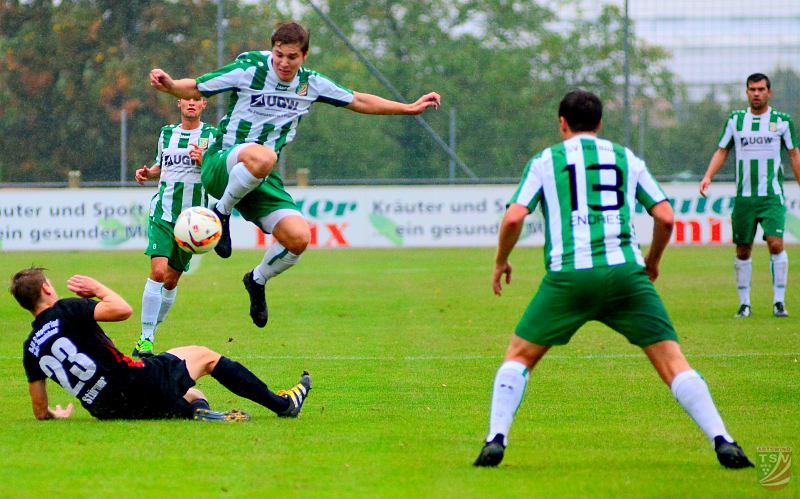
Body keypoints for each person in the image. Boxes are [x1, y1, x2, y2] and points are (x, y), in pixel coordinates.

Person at [473, 90, 753, 470]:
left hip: (569, 277)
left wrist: (501, 260)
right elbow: (667, 217)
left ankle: (496, 438)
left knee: (519, 356)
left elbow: (512, 218)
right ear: (600, 124)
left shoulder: (546, 161)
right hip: (626, 274)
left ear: (562, 124)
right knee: (672, 361)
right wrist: (651, 263)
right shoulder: (625, 158)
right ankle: (723, 439)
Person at [149, 21, 441, 328]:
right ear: (272, 50)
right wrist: (170, 85)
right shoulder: (250, 68)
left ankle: (257, 280)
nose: (284, 63)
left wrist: (408, 108)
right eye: (279, 55)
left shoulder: (311, 84)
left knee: (299, 238)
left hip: (261, 176)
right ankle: (220, 211)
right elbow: (196, 86)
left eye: (292, 57)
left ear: (305, 56)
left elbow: (358, 100)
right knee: (264, 155)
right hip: (222, 163)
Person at [10, 267, 311, 421]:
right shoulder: (66, 309)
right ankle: (284, 405)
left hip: (108, 410)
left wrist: (54, 413)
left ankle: (198, 412)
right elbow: (122, 310)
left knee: (192, 390)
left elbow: (39, 409)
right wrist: (98, 288)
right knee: (203, 356)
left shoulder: (30, 349)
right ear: (47, 288)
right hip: (135, 383)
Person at [699, 73, 800, 318]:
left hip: (771, 196)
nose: (757, 93)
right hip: (744, 198)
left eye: (761, 89)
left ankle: (778, 301)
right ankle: (744, 303)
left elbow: (794, 154)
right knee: (743, 250)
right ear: (746, 92)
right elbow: (722, 151)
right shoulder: (736, 120)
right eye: (752, 89)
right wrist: (708, 176)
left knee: (776, 244)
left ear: (769, 92)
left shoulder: (782, 121)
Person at [132, 97, 219, 358]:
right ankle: (147, 337)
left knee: (170, 281)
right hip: (163, 213)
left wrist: (206, 161)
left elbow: (218, 173)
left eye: (197, 100)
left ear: (204, 105)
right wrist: (148, 174)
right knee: (157, 273)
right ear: (179, 104)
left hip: (192, 223)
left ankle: (149, 332)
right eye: (187, 100)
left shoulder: (212, 135)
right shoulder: (167, 133)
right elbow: (162, 166)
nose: (192, 104)